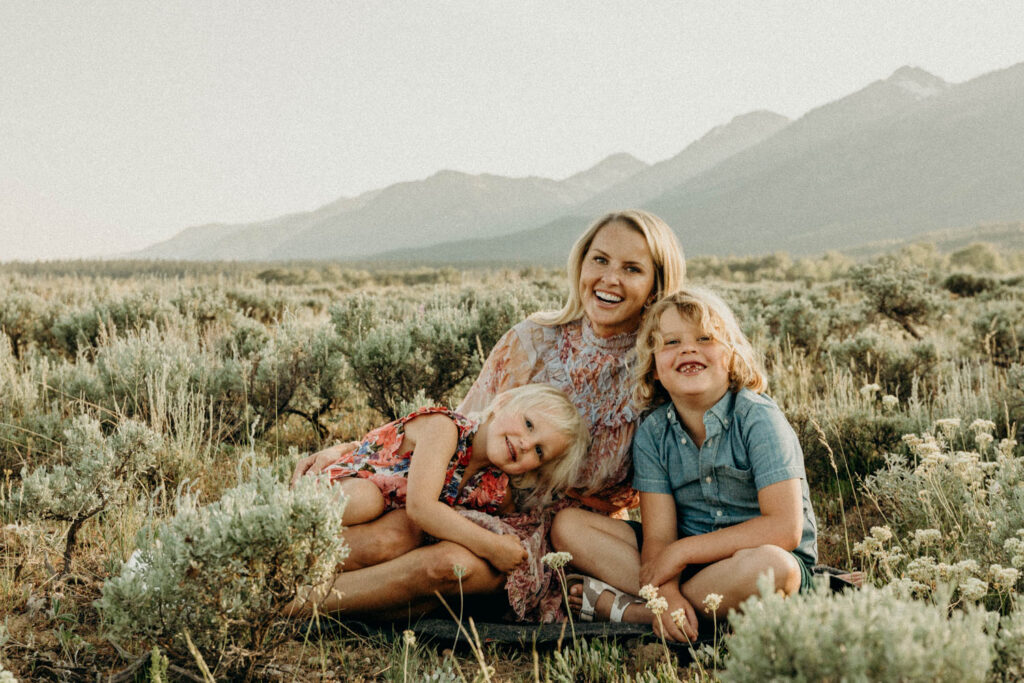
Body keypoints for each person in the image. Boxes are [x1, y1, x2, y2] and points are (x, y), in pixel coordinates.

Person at [290, 210, 686, 621]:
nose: (609, 279)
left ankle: (296, 607)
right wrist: (357, 449)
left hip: (578, 542)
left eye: (632, 268)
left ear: (657, 284)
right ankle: (268, 578)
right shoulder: (533, 339)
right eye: (600, 260)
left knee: (445, 566)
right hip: (481, 505)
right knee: (388, 537)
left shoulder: (660, 369)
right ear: (581, 263)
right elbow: (464, 430)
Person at [550, 287, 817, 642]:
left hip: (751, 561)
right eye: (671, 342)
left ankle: (638, 612)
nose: (688, 349)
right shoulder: (654, 432)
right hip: (687, 568)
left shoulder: (758, 419)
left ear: (731, 355)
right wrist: (669, 587)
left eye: (705, 338)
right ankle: (676, 607)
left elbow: (785, 529)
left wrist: (681, 553)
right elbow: (659, 537)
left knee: (774, 569)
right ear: (654, 367)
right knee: (568, 525)